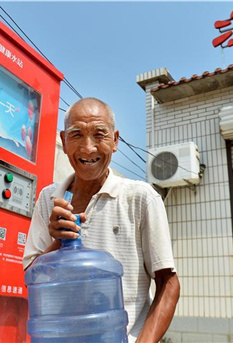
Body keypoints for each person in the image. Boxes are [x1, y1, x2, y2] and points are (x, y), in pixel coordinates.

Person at [23, 97, 180, 342]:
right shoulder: (48, 199)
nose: (88, 148)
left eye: (99, 134)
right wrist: (56, 244)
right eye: (76, 135)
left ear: (115, 141)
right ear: (64, 142)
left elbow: (168, 284)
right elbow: (33, 280)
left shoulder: (140, 198)